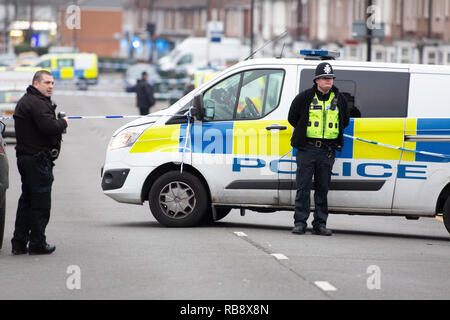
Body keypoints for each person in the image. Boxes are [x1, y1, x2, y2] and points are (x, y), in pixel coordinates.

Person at [288, 62, 349, 236]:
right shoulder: (305, 97)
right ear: (317, 80)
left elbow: (344, 120)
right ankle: (300, 222)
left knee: (323, 188)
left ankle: (320, 224)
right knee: (303, 187)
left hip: (327, 151)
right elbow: (293, 117)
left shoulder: (339, 98)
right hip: (307, 148)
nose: (329, 81)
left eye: (330, 78)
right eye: (325, 78)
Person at [11, 70, 68, 255]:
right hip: (37, 160)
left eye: (52, 83)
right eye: (47, 83)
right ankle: (37, 243)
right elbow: (49, 127)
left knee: (27, 201)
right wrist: (63, 122)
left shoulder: (28, 100)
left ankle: (19, 242)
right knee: (40, 204)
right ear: (36, 83)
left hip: (27, 158)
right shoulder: (36, 103)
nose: (51, 86)